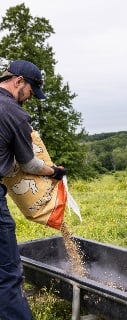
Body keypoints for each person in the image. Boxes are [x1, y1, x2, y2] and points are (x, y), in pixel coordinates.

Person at [0, 59, 67, 320]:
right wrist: (54, 171)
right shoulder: (13, 112)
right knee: (7, 273)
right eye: (30, 91)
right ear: (18, 81)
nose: (29, 98)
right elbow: (28, 164)